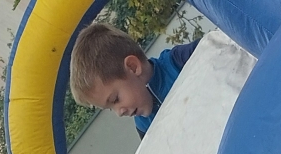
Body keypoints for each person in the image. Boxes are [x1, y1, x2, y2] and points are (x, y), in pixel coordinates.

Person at [69, 22, 200, 136]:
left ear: (133, 67)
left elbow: (212, 47)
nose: (119, 113)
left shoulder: (179, 61)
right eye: (110, 108)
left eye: (115, 99)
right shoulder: (145, 128)